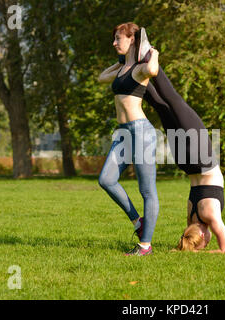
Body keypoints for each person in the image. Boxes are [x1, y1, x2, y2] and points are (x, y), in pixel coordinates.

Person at [119, 38, 225, 253]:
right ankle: (134, 70)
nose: (211, 238)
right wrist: (191, 250)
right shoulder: (191, 215)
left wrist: (203, 251)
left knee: (176, 103)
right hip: (186, 163)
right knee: (162, 107)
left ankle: (151, 58)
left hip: (202, 160)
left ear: (201, 234)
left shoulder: (208, 215)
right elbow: (208, 244)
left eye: (207, 240)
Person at [97, 22, 160, 256]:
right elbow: (102, 77)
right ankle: (138, 222)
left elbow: (153, 70)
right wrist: (121, 61)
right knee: (106, 179)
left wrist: (153, 53)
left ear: (132, 39)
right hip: (123, 133)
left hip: (141, 132)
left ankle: (145, 245)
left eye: (118, 39)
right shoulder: (124, 68)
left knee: (147, 191)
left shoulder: (141, 69)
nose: (114, 43)